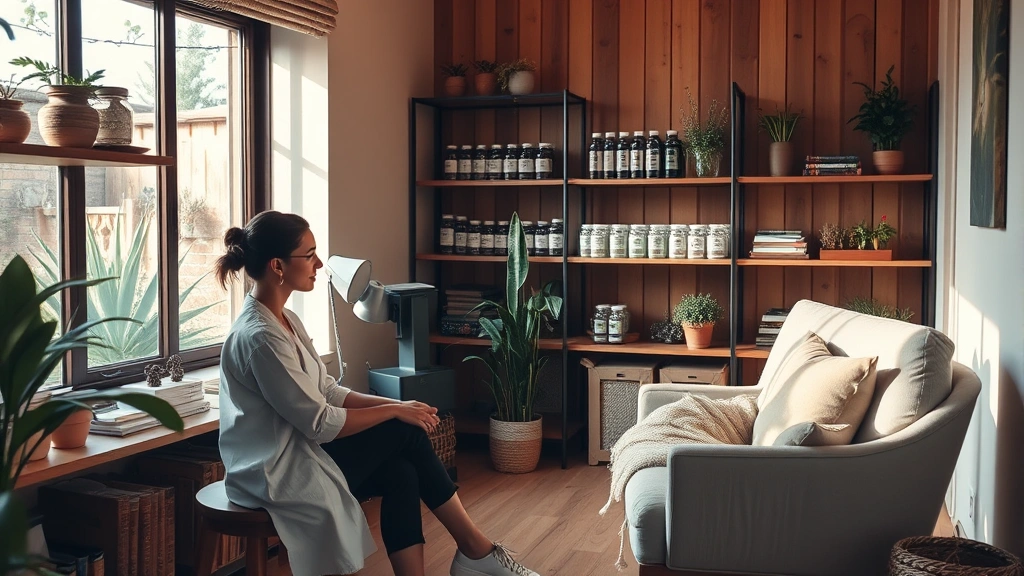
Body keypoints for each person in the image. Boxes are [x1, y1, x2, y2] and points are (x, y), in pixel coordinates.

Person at [214, 210, 539, 576]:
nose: (319, 264)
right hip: (274, 470)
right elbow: (319, 422)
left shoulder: (284, 320)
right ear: (277, 266)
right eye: (310, 255)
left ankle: (468, 555)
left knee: (403, 472)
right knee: (404, 431)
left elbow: (327, 391)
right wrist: (396, 413)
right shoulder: (261, 337)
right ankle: (476, 550)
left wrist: (397, 404)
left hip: (301, 451)